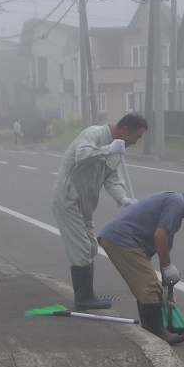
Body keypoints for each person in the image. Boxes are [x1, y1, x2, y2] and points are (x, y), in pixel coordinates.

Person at [98, 182, 184, 346]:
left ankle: (152, 329)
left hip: (123, 240)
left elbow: (165, 244)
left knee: (150, 286)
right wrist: (167, 267)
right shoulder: (177, 203)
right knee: (148, 286)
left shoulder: (176, 204)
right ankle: (156, 331)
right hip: (122, 239)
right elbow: (160, 235)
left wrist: (166, 276)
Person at [51, 112, 147, 310]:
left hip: (86, 204)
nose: (135, 142)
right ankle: (83, 298)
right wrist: (108, 149)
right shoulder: (94, 134)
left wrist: (123, 198)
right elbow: (82, 154)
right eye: (136, 137)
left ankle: (88, 294)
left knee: (91, 248)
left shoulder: (116, 149)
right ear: (125, 130)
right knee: (81, 249)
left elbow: (112, 178)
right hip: (68, 198)